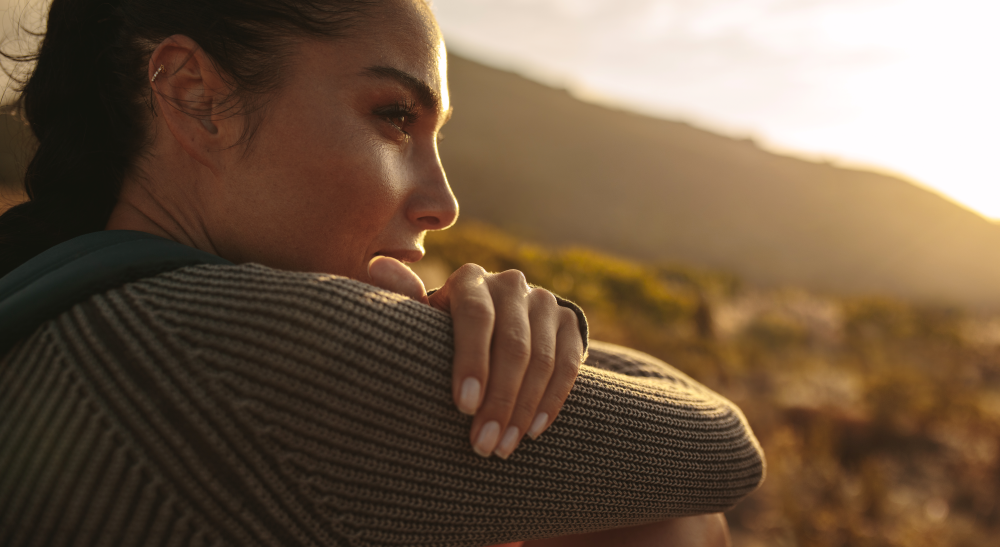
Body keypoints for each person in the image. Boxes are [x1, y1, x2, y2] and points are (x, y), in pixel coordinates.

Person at [0, 0, 765, 545]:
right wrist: (517, 336)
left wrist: (521, 334)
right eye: (396, 117)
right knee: (667, 524)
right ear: (195, 95)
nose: (443, 203)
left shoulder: (51, 284)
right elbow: (721, 449)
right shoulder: (226, 341)